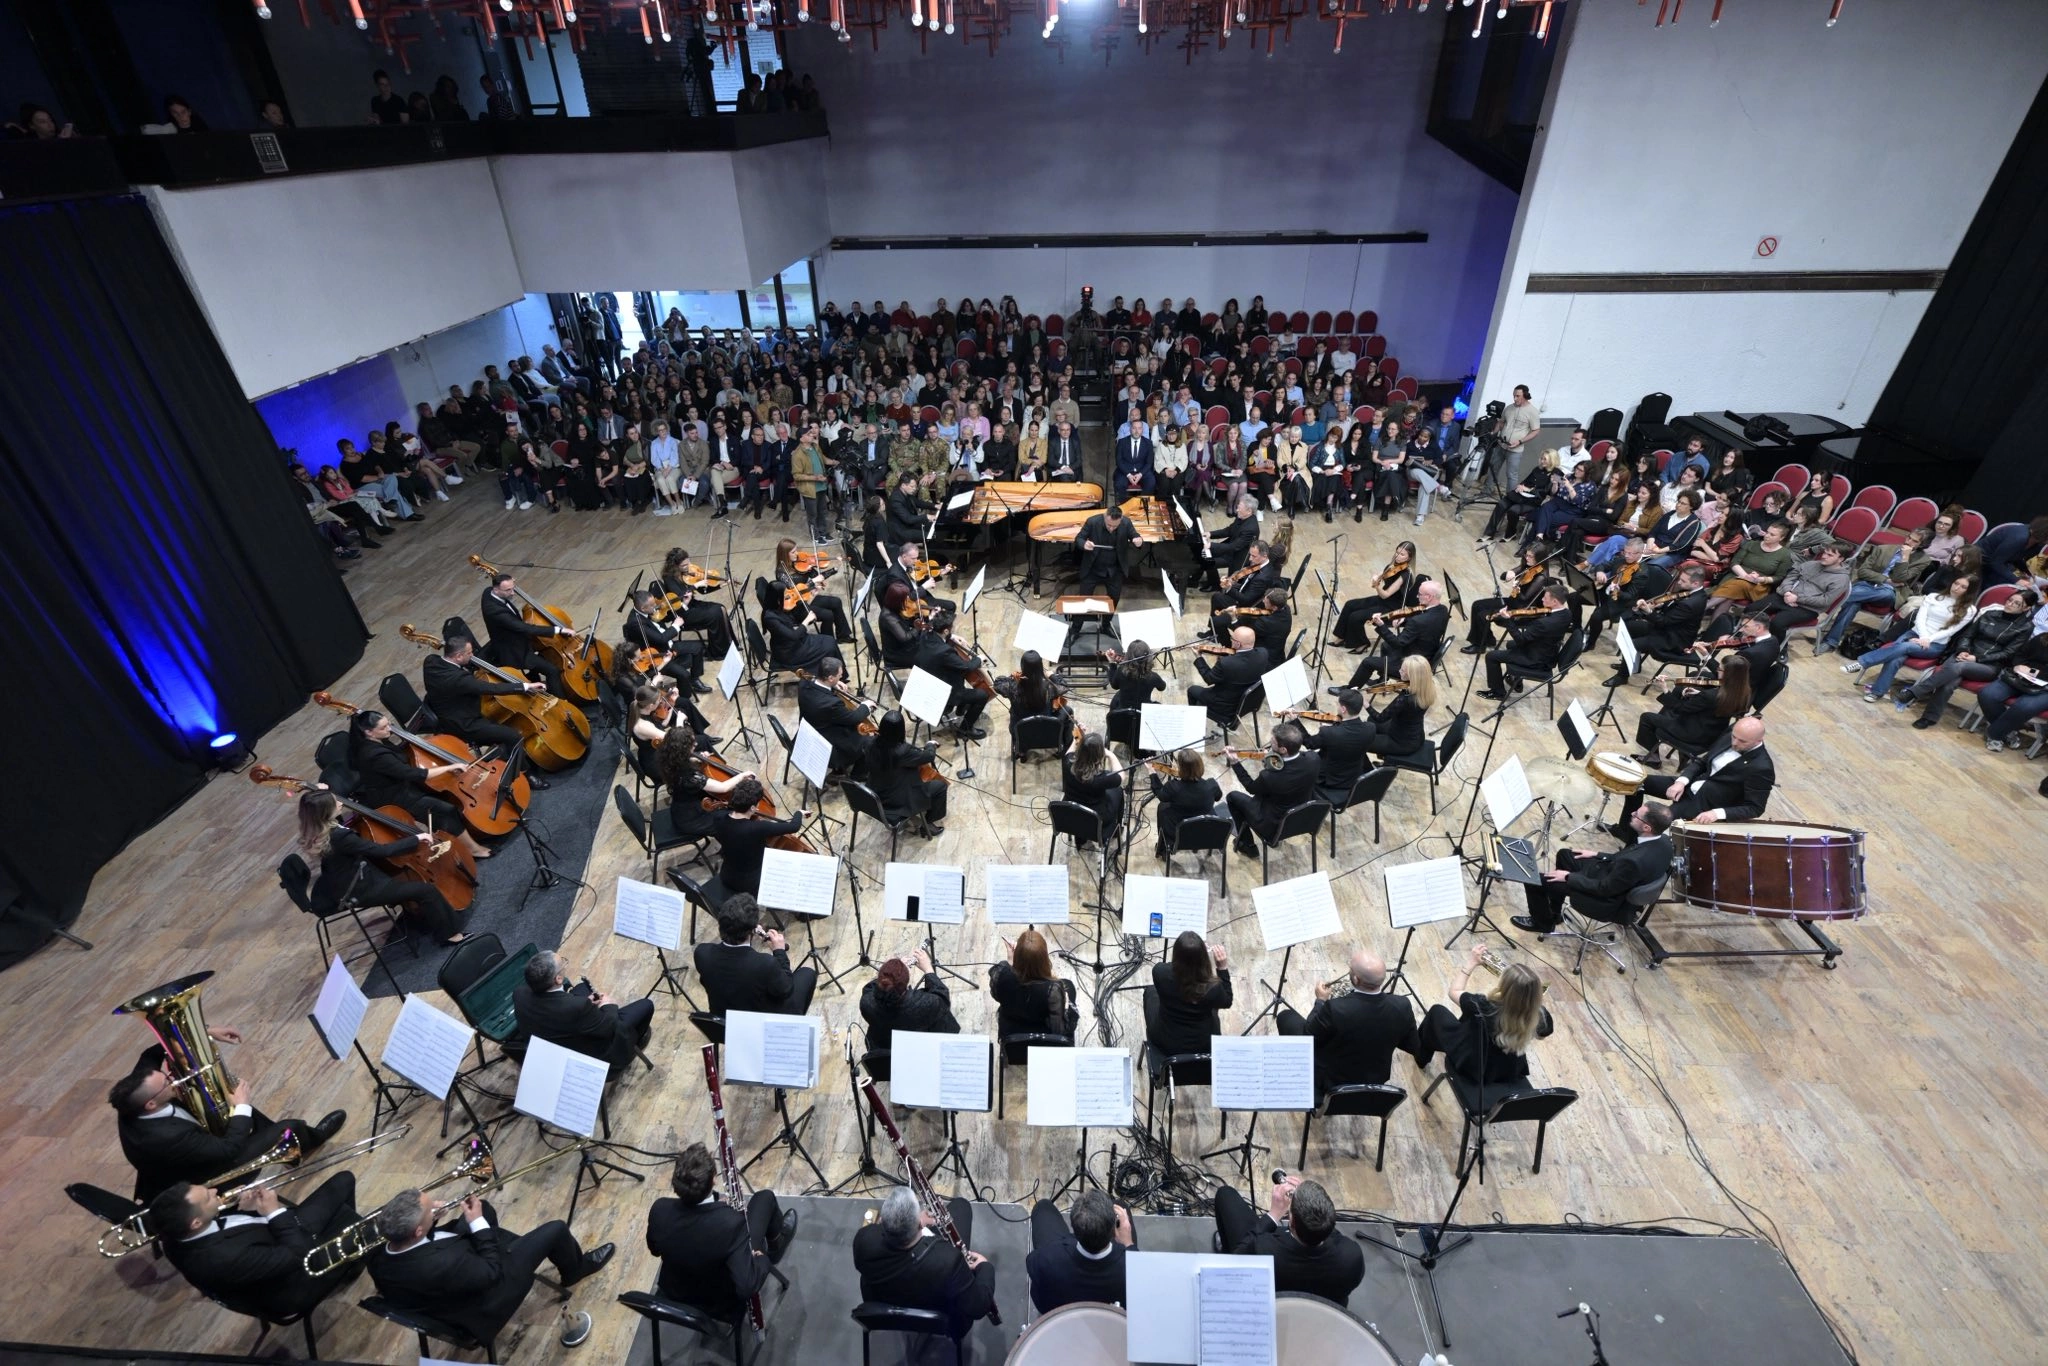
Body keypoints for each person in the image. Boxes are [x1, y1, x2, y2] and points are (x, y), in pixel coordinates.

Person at [365, 1188, 611, 1351]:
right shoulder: (445, 1263)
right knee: (555, 1229)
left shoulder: (377, 1256)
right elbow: (491, 1273)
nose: (437, 1205)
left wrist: (433, 1219)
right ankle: (575, 1270)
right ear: (417, 1232)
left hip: (443, 1284)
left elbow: (428, 1249)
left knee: (486, 1209)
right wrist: (479, 1227)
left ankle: (496, 1235)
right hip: (489, 1296)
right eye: (431, 1208)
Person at [109, 1040, 344, 1201]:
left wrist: (208, 1033)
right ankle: (310, 1139)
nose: (172, 1080)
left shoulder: (134, 1094)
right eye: (167, 1084)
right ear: (150, 1104)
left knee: (242, 1113)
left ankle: (287, 1145)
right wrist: (241, 1103)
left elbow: (148, 1056)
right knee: (285, 1126)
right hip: (204, 1178)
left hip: (188, 1155)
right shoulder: (167, 1137)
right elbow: (228, 1150)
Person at [151, 1173, 363, 1322]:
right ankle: (353, 1262)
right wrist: (274, 1213)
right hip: (294, 1278)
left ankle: (351, 1257)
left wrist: (248, 1211)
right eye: (207, 1197)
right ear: (196, 1223)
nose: (214, 1190)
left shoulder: (176, 1235)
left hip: (272, 1243)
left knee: (343, 1180)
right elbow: (299, 1255)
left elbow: (238, 1232)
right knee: (371, 1229)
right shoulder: (223, 1259)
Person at [646, 1143, 797, 1323]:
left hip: (675, 1292)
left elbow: (655, 1250)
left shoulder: (659, 1210)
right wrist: (760, 1258)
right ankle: (776, 1246)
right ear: (713, 1181)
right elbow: (746, 1287)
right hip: (718, 1302)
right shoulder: (731, 1223)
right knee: (764, 1198)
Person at [296, 788, 469, 945]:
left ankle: (422, 916)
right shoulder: (340, 837)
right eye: (336, 802)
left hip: (342, 882)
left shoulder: (319, 830)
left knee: (407, 881)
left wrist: (321, 793)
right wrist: (416, 839)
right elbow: (382, 851)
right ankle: (449, 935)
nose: (341, 802)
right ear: (326, 812)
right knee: (426, 890)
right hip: (359, 888)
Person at [1417, 944, 1553, 1103]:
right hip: (1507, 1069)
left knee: (1437, 1012)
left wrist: (1471, 963)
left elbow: (1453, 991)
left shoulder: (1481, 1006)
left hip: (1473, 1067)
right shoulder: (1539, 1016)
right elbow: (1543, 1034)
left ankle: (1421, 1057)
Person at [1513, 803, 1676, 935]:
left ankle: (1542, 923)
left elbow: (1604, 889)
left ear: (1647, 828)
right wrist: (1597, 854)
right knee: (1565, 855)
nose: (1632, 813)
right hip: (1614, 876)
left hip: (1605, 900)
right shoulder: (1664, 841)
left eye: (1637, 815)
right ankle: (1554, 912)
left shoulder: (1634, 862)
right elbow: (1627, 859)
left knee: (1538, 880)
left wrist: (1569, 877)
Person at [346, 711, 492, 857]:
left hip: (400, 785)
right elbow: (412, 774)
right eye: (383, 728)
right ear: (369, 732)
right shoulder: (374, 755)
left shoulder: (372, 741)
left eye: (388, 724)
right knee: (445, 811)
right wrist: (449, 767)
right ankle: (473, 850)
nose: (389, 729)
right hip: (394, 798)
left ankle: (465, 841)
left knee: (442, 802)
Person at [852, 1186, 997, 1334]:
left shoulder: (863, 1240)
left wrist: (915, 1220)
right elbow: (978, 1307)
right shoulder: (949, 1261)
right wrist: (985, 1266)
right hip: (943, 1319)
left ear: (882, 1220)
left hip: (883, 1307)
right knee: (961, 1206)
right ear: (921, 1224)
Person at [1275, 950, 1419, 1096]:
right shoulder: (1403, 1005)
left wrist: (1320, 1001)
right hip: (1374, 1082)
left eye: (1350, 969)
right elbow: (1412, 1044)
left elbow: (1309, 1036)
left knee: (1286, 1017)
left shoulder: (1335, 1009)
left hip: (1331, 1083)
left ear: (1356, 980)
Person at [1211, 1175, 1364, 1305]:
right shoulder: (1352, 1257)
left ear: (1292, 1222)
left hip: (1274, 1304)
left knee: (1226, 1195)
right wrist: (1308, 1201)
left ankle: (1223, 1246)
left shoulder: (1264, 1249)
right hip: (1320, 1311)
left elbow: (1237, 1257)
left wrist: (1273, 1215)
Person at [1900, 588, 2038, 726]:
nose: (2009, 604)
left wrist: (1977, 659)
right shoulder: (1990, 614)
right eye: (2009, 600)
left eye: (2016, 603)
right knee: (1949, 683)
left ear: (2026, 608)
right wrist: (1963, 650)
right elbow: (1967, 635)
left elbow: (2008, 653)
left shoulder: (2026, 627)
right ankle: (1929, 718)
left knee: (1958, 667)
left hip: (1989, 665)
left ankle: (1915, 692)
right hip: (1965, 655)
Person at [1615, 716, 1774, 835]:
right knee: (1636, 783)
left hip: (1703, 803)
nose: (1734, 743)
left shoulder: (1762, 767)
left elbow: (1755, 808)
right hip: (1691, 785)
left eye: (1742, 741)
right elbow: (1702, 761)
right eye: (1734, 737)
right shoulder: (1733, 735)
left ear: (1758, 740)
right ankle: (1625, 831)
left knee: (1653, 822)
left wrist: (1716, 813)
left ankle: (1631, 851)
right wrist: (1681, 781)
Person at [512, 950, 654, 1079]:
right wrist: (608, 1005)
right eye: (563, 963)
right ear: (558, 979)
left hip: (554, 1050)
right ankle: (634, 1042)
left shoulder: (519, 994)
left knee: (580, 988)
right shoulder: (577, 1007)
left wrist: (585, 1006)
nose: (565, 964)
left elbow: (560, 1013)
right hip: (591, 1057)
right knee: (646, 1005)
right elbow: (608, 1027)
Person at [1845, 573, 1979, 703]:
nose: (1956, 588)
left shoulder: (1970, 610)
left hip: (1935, 644)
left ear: (1969, 591)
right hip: (1915, 634)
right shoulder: (1933, 597)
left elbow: (1950, 631)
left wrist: (1928, 639)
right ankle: (1877, 692)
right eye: (1956, 583)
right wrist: (1923, 636)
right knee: (1896, 658)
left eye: (1963, 587)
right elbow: (1920, 618)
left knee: (1905, 646)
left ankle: (1863, 662)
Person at [1818, 526, 1938, 654]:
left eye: (1914, 541)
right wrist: (1885, 580)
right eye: (1909, 537)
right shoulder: (1883, 549)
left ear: (1922, 545)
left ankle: (1826, 599)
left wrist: (1904, 558)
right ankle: (1830, 642)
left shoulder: (1923, 560)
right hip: (1867, 585)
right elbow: (1863, 571)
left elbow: (1899, 578)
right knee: (1852, 604)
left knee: (1882, 593)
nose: (1908, 541)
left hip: (1889, 592)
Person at [693, 893, 818, 1016]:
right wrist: (779, 952)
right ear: (753, 930)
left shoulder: (702, 953)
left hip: (724, 1021)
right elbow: (785, 990)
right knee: (807, 973)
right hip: (756, 1021)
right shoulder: (765, 964)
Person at [1026, 1191, 1137, 1313]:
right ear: (1114, 1230)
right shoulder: (1133, 1268)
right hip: (1110, 1322)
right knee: (1120, 1205)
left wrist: (1064, 1243)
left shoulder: (1047, 1260)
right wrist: (1128, 1244)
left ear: (1074, 1227)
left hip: (1060, 1317)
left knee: (1043, 1207)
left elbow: (1032, 1267)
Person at [1634, 655, 1749, 768]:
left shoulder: (1710, 696)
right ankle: (1684, 755)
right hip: (1712, 733)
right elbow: (1716, 705)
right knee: (1667, 712)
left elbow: (1681, 709)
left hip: (1691, 734)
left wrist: (1665, 689)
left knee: (1647, 718)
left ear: (1728, 674)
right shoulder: (1744, 692)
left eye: (1720, 669)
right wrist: (1699, 695)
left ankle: (1653, 758)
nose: (1717, 671)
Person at [710, 778, 810, 899]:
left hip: (727, 875)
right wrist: (799, 813)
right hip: (750, 883)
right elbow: (794, 827)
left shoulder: (718, 817)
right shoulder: (757, 827)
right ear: (753, 808)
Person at [1344, 579, 1448, 689]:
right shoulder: (1443, 611)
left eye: (1420, 594)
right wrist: (1405, 620)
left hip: (1412, 665)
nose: (1417, 596)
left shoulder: (1418, 621)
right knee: (1385, 645)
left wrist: (1381, 625)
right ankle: (1382, 680)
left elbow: (1397, 643)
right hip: (1426, 655)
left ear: (1429, 597)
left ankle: (1349, 691)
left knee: (1367, 662)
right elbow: (1425, 624)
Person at [862, 708, 951, 836]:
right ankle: (928, 824)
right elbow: (928, 757)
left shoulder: (868, 742)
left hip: (875, 791)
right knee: (940, 786)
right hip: (896, 800)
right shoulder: (903, 751)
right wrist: (930, 745)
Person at [1480, 580, 1572, 701]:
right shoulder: (1567, 613)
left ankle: (1498, 693)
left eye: (1545, 598)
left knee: (1491, 656)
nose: (1542, 600)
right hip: (1549, 652)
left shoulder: (1544, 623)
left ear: (1554, 602)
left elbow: (1521, 640)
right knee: (1509, 644)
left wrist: (1508, 620)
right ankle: (1516, 681)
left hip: (1536, 659)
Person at [479, 573, 566, 695]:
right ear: (496, 589)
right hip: (514, 652)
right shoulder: (494, 611)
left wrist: (507, 581)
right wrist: (558, 630)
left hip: (517, 641)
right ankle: (561, 703)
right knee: (552, 671)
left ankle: (540, 689)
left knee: (541, 665)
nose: (513, 593)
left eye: (513, 588)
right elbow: (523, 628)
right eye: (508, 590)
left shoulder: (489, 592)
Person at [1147, 931, 1231, 1055]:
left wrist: (1187, 955)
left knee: (1150, 993)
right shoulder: (1213, 989)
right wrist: (1222, 968)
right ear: (1203, 959)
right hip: (1202, 1045)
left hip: (1166, 1040)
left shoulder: (1160, 972)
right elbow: (1227, 1001)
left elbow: (1173, 968)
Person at [912, 611, 992, 739]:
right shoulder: (944, 651)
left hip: (927, 682)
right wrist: (979, 659)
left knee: (960, 679)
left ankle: (962, 708)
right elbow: (966, 667)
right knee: (983, 695)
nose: (952, 629)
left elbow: (942, 639)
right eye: (951, 628)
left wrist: (952, 636)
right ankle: (965, 730)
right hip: (942, 692)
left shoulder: (925, 635)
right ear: (945, 631)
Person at [988, 930, 1078, 1041]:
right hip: (1042, 1039)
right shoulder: (1053, 989)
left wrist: (1012, 962)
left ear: (1018, 957)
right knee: (1069, 986)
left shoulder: (1001, 974)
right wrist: (1066, 1004)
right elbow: (1059, 1029)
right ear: (1044, 959)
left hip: (1014, 1039)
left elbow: (998, 994)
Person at [859, 952, 960, 1051]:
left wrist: (889, 971)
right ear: (906, 981)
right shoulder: (925, 1004)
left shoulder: (866, 1002)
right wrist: (928, 969)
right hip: (921, 1046)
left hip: (885, 1045)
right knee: (943, 1016)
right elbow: (942, 998)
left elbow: (872, 987)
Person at [1333, 542, 1418, 649]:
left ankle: (1361, 642)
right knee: (1350, 605)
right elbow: (1383, 579)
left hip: (1391, 609)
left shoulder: (1405, 575)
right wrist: (1377, 578)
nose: (1397, 556)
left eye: (1402, 555)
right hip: (1382, 601)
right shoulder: (1393, 566)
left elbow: (1385, 595)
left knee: (1356, 616)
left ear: (1409, 557)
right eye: (1397, 552)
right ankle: (1341, 637)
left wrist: (1377, 586)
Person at [797, 657, 872, 773]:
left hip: (810, 728)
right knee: (868, 741)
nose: (841, 677)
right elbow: (854, 718)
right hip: (824, 739)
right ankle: (858, 774)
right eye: (839, 676)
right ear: (830, 678)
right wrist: (866, 706)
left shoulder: (803, 684)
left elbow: (818, 684)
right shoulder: (831, 704)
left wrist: (833, 685)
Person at [1296, 689, 1375, 795]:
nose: (1336, 707)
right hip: (1354, 777)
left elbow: (1309, 743)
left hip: (1330, 780)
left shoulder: (1329, 733)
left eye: (1338, 704)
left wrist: (1295, 722)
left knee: (1301, 760)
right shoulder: (1371, 728)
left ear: (1343, 709)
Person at [1364, 655, 1437, 766]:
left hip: (1401, 743)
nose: (1399, 671)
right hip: (1415, 736)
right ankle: (1384, 757)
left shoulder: (1405, 699)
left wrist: (1366, 704)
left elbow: (1380, 718)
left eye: (1402, 671)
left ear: (1412, 677)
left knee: (1361, 741)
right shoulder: (1427, 688)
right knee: (1370, 721)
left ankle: (1373, 769)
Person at [1190, 625, 1268, 727]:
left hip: (1226, 707)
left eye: (1232, 639)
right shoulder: (1263, 653)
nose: (1231, 641)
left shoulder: (1226, 663)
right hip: (1249, 702)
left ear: (1238, 643)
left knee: (1192, 690)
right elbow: (1242, 665)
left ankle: (1193, 723)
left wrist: (1198, 657)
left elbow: (1208, 678)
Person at [1075, 501, 1143, 603]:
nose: (1111, 528)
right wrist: (1084, 544)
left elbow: (1135, 535)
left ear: (1120, 520)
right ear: (1105, 516)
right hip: (1092, 568)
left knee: (1113, 601)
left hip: (1114, 570)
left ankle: (1108, 619)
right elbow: (1079, 539)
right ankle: (1082, 618)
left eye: (1115, 526)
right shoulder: (1092, 522)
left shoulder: (1126, 523)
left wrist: (1139, 541)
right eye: (1109, 525)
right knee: (1084, 600)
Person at [1062, 731, 1123, 837]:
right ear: (1099, 756)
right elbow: (1121, 777)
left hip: (1070, 813)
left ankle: (1080, 837)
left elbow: (1069, 753)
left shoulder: (1068, 763)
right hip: (1095, 817)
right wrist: (1111, 755)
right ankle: (1115, 831)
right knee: (1118, 791)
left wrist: (1077, 737)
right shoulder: (1100, 779)